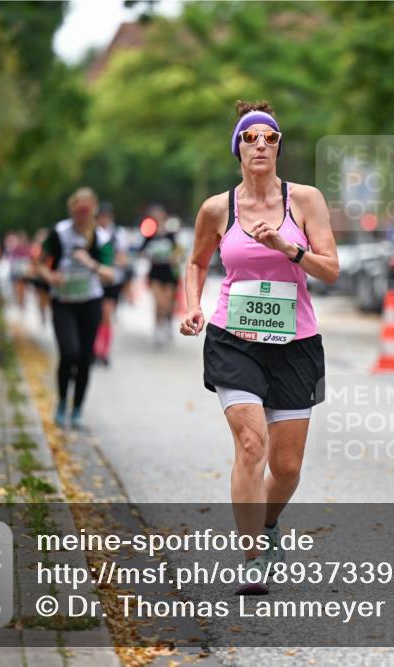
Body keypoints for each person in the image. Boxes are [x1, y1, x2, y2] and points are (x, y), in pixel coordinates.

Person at [180, 100, 339, 594]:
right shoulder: (216, 209)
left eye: (271, 138)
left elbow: (331, 268)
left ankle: (268, 526)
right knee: (252, 444)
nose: (262, 145)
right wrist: (191, 305)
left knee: (286, 468)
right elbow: (196, 263)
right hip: (235, 339)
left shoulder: (305, 201)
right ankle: (250, 557)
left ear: (279, 147)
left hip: (296, 343)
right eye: (251, 138)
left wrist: (288, 249)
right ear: (238, 149)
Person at [36, 187, 116, 429]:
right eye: (78, 211)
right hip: (63, 302)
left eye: (86, 210)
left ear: (93, 210)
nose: (82, 215)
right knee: (68, 352)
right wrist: (50, 277)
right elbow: (39, 264)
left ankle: (78, 408)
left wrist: (90, 263)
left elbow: (110, 275)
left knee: (84, 358)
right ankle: (61, 402)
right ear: (72, 210)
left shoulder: (100, 237)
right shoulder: (59, 233)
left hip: (90, 302)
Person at [140, 204, 182, 346]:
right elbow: (142, 251)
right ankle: (158, 328)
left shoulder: (170, 234)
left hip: (169, 272)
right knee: (159, 303)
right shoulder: (149, 235)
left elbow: (179, 251)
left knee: (168, 304)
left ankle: (167, 323)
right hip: (155, 272)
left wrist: (174, 257)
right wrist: (150, 256)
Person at [93, 202, 127, 365]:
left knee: (106, 314)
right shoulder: (92, 234)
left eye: (107, 216)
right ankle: (94, 348)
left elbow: (122, 257)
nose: (104, 220)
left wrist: (112, 262)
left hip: (112, 280)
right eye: (101, 216)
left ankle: (104, 351)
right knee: (95, 316)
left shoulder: (117, 234)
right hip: (95, 280)